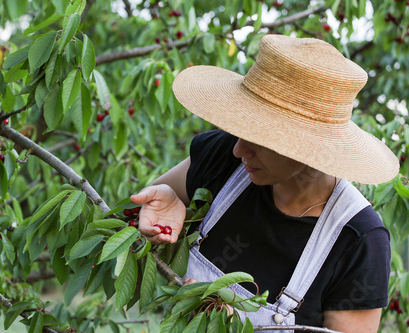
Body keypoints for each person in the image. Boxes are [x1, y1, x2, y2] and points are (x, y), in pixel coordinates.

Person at [130, 34, 400, 333]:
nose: (239, 149)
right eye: (241, 128)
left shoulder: (358, 240)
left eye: (262, 139)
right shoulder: (223, 155)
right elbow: (136, 219)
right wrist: (166, 201)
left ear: (312, 149)